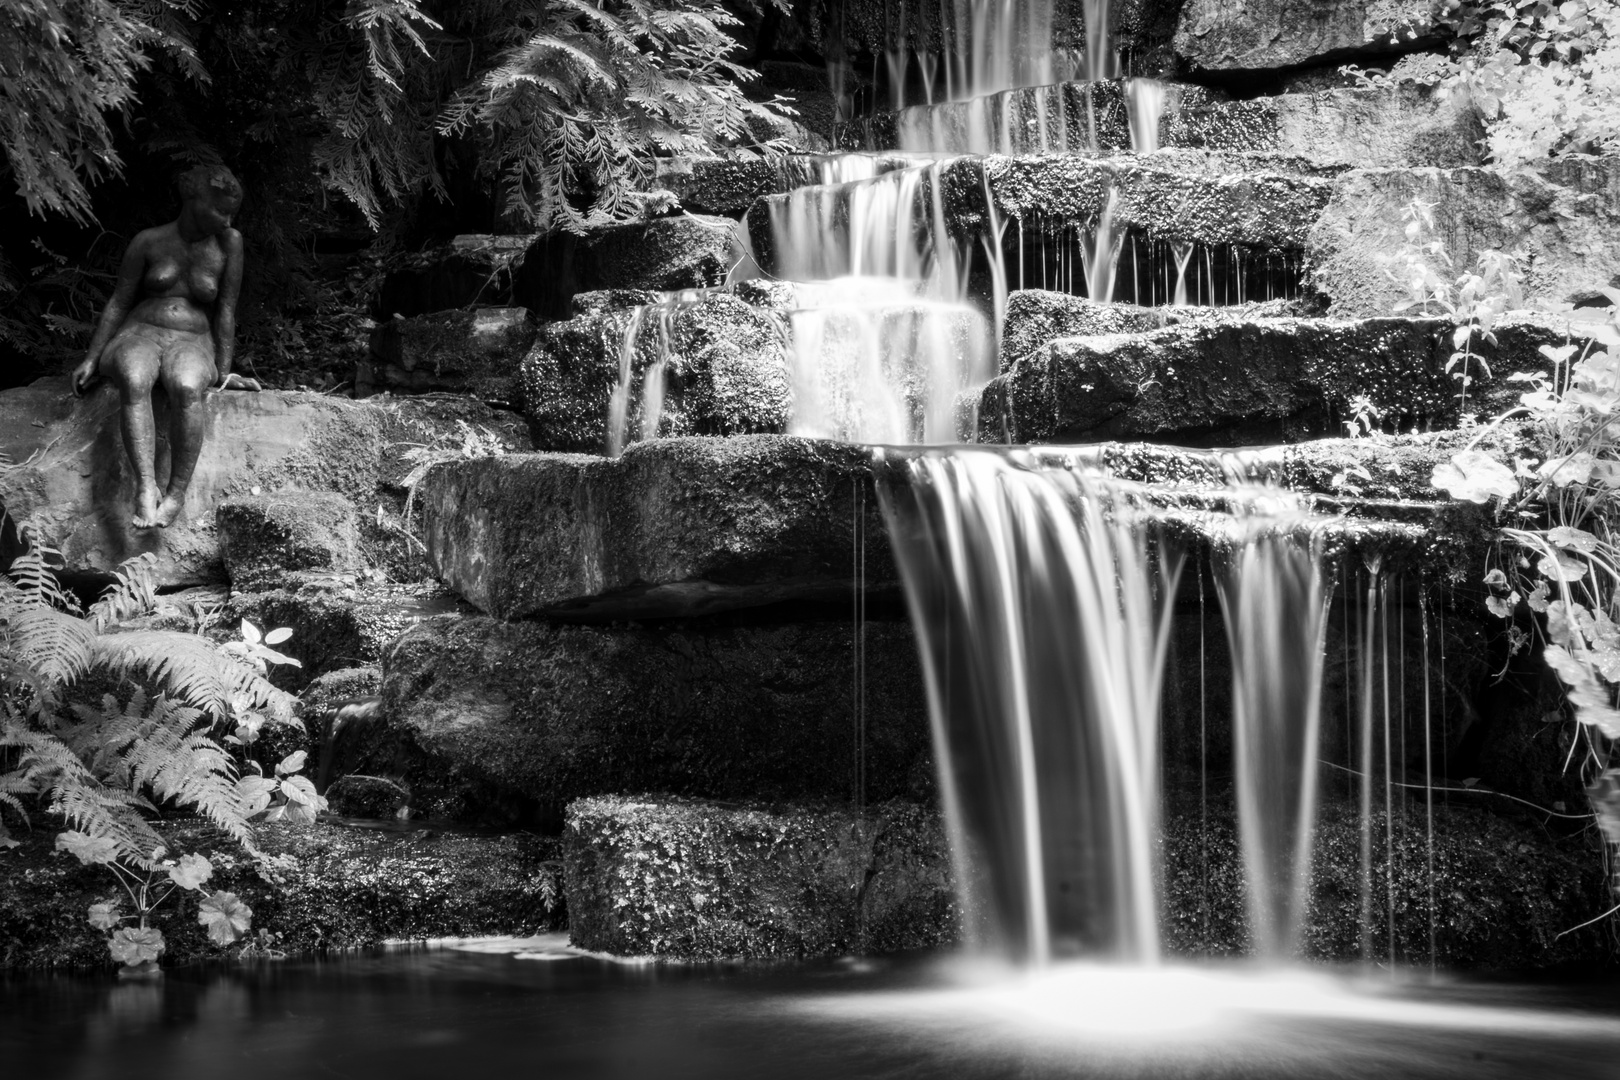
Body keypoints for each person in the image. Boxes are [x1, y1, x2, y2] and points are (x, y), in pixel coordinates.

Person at [72, 165, 260, 529]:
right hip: (139, 331)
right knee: (134, 374)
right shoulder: (149, 241)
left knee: (187, 384)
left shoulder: (229, 243)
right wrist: (92, 357)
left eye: (231, 213)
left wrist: (223, 371)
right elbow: (119, 301)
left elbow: (226, 309)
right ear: (193, 199)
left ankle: (175, 493)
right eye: (219, 210)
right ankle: (145, 486)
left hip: (192, 338)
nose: (226, 220)